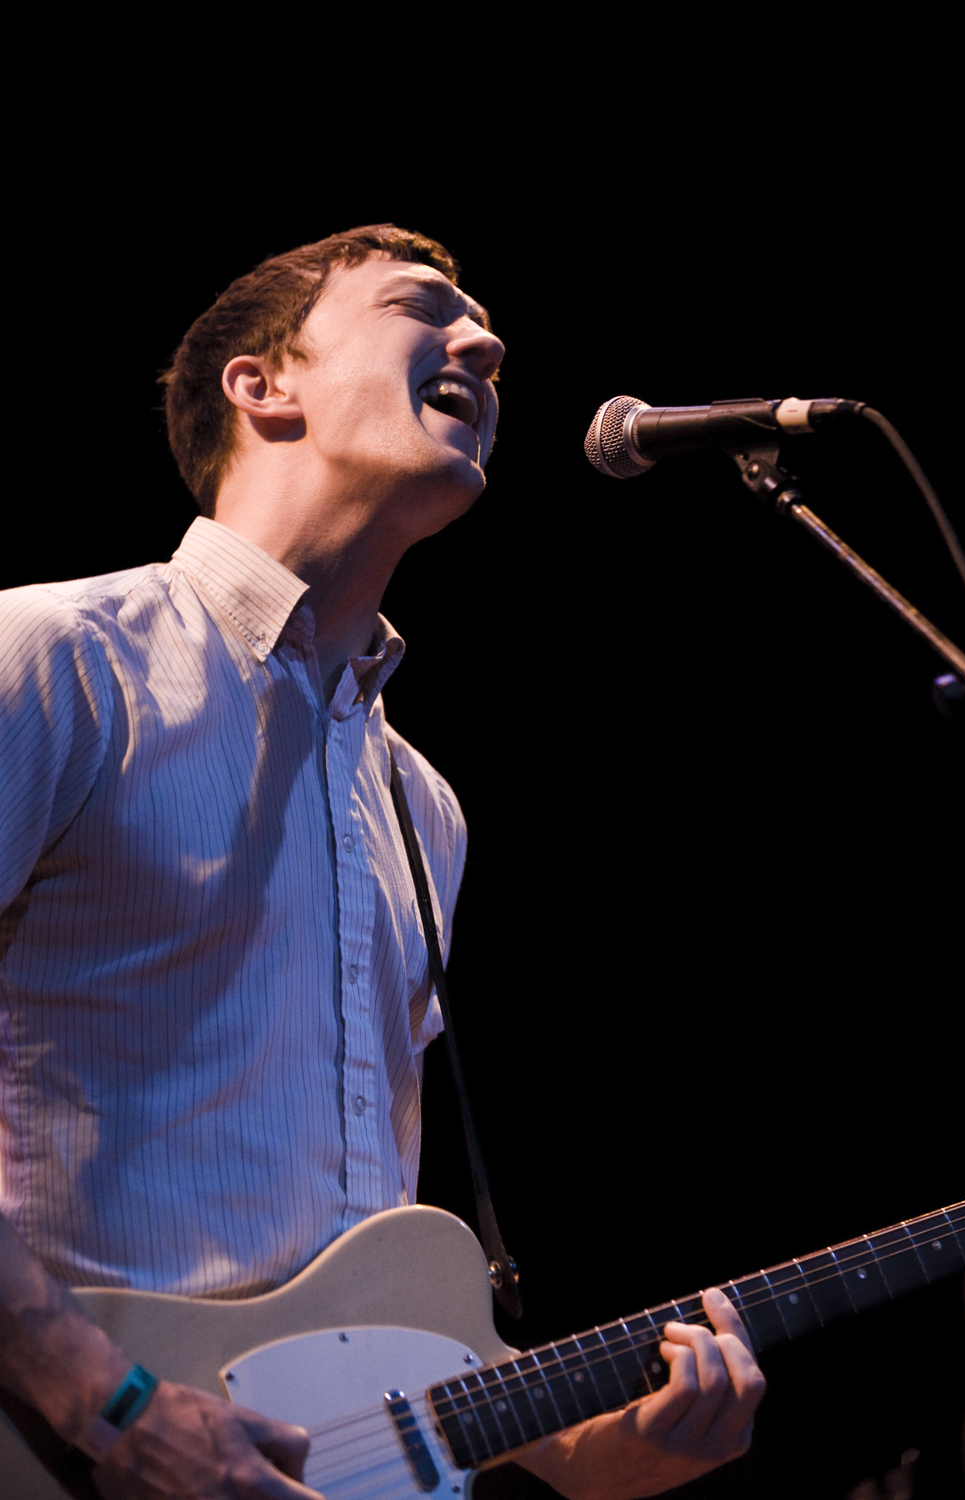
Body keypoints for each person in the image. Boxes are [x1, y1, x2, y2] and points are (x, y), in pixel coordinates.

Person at [0, 223, 767, 1499]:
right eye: (423, 308)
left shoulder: (421, 806)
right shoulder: (56, 659)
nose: (486, 343)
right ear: (263, 385)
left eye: (485, 329)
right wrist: (110, 1404)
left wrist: (604, 1454)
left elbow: (374, 1324)